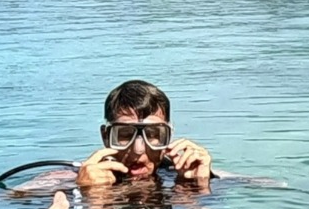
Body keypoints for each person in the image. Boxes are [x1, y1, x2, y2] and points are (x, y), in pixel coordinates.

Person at [72, 80, 213, 190]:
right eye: (125, 135)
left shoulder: (196, 173)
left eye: (152, 135)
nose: (138, 150)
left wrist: (199, 185)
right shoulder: (70, 180)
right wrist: (84, 191)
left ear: (168, 137)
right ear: (106, 137)